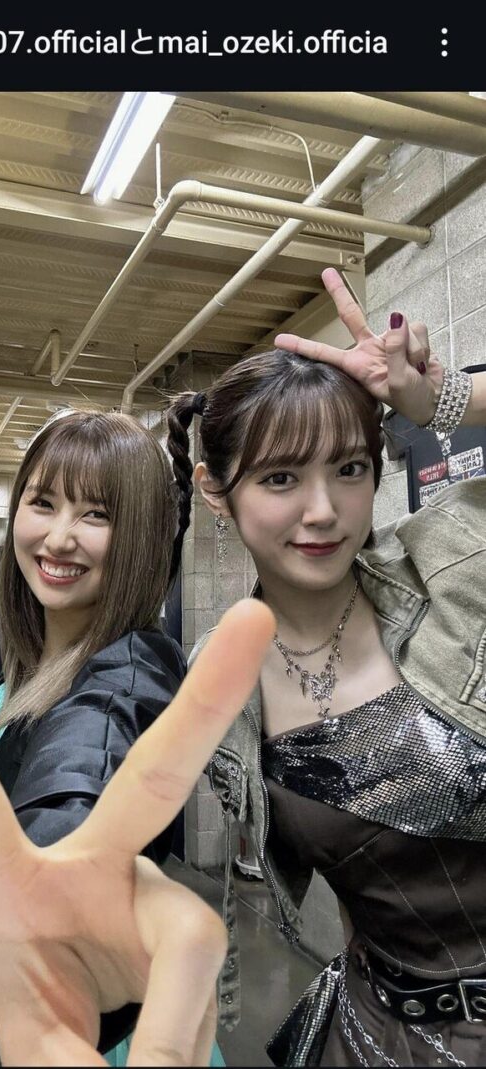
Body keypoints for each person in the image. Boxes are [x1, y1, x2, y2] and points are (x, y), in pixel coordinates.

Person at [166, 268, 486, 1066]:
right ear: (216, 490)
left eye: (349, 469)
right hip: (373, 1033)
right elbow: (352, 872)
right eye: (281, 477)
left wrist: (444, 400)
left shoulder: (455, 565)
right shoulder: (219, 681)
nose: (323, 510)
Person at [0, 410, 223, 1064]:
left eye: (96, 514)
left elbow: (84, 774)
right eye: (43, 503)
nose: (59, 538)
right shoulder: (18, 685)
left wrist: (49, 888)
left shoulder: (127, 679)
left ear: (138, 538)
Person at [0, 599, 275, 1067]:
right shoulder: (7, 691)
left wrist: (65, 839)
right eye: (41, 518)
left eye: (99, 523)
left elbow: (97, 734)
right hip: (6, 976)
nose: (61, 552)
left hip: (93, 986)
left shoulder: (132, 669)